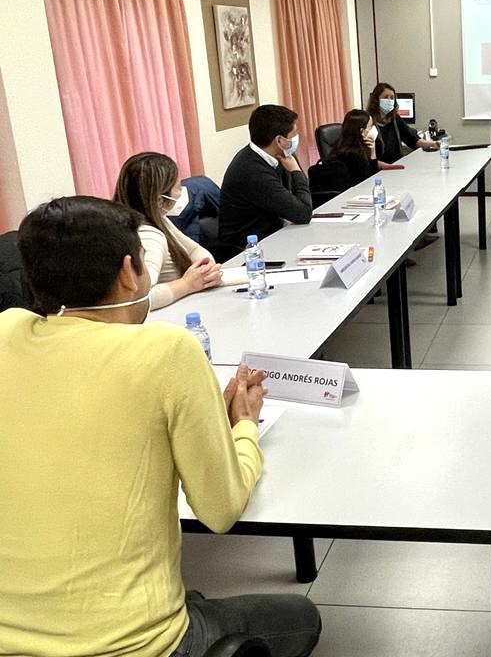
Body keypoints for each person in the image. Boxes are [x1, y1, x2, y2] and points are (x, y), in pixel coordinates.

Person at [0, 196, 320, 657]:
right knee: (298, 617)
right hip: (129, 646)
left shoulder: (9, 329)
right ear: (130, 272)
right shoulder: (166, 350)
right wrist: (243, 426)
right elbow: (220, 509)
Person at [113, 152, 223, 309]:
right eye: (178, 187)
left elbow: (193, 250)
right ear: (160, 200)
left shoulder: (155, 217)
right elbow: (139, 298)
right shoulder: (149, 237)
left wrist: (206, 270)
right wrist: (186, 284)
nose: (183, 191)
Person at [219, 104, 313, 249]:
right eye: (293, 134)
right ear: (279, 141)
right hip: (248, 249)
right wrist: (296, 171)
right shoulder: (252, 171)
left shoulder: (277, 156)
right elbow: (303, 214)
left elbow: (296, 201)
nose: (296, 138)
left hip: (276, 235)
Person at [309, 109, 380, 197]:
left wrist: (372, 151)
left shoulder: (345, 146)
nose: (373, 129)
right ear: (362, 131)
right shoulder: (353, 155)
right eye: (370, 126)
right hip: (353, 197)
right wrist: (373, 154)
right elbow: (370, 180)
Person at [367, 82, 439, 163]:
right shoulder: (368, 122)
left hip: (396, 165)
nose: (389, 100)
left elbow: (412, 139)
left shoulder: (395, 119)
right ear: (376, 100)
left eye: (392, 98)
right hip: (377, 169)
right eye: (385, 97)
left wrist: (433, 144)